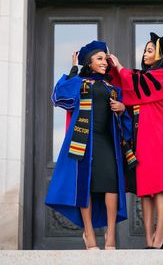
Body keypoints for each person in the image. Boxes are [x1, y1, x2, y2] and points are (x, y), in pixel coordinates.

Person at [45, 40, 132, 250]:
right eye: (99, 59)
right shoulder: (80, 83)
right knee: (87, 186)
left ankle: (111, 236)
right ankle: (90, 233)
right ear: (89, 63)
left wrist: (122, 109)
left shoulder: (113, 89)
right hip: (83, 141)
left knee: (111, 184)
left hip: (107, 142)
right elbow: (58, 96)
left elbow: (125, 124)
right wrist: (74, 69)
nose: (104, 62)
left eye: (105, 59)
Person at [109, 32, 163, 249]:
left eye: (150, 50)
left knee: (161, 185)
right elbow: (132, 95)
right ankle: (148, 239)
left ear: (159, 55)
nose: (145, 54)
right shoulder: (142, 78)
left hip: (160, 135)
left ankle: (160, 235)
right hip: (141, 137)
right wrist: (121, 106)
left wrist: (119, 67)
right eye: (145, 51)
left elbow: (138, 85)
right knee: (144, 189)